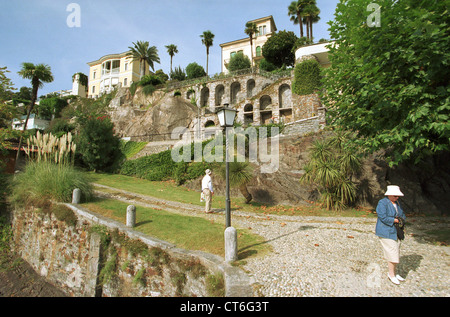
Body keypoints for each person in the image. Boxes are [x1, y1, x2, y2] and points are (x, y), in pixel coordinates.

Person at [375, 185, 406, 285]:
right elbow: (382, 216)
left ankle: (394, 273)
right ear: (389, 195)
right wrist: (394, 220)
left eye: (398, 196)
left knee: (396, 251)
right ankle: (391, 274)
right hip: (386, 231)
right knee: (392, 252)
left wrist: (401, 220)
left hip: (396, 231)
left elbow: (402, 214)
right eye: (395, 196)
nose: (397, 198)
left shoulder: (397, 203)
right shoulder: (382, 203)